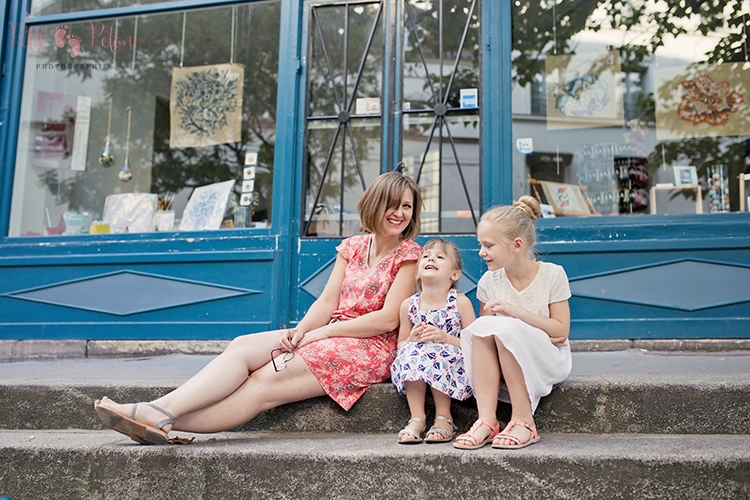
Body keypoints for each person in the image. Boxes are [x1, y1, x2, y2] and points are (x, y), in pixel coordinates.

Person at [94, 171, 422, 444]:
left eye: (407, 206)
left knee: (262, 381)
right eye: (392, 205)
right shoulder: (351, 247)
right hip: (330, 332)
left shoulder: (408, 254)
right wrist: (301, 332)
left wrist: (320, 335)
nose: (400, 213)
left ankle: (164, 418)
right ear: (374, 205)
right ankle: (159, 409)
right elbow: (326, 302)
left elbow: (386, 319)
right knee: (242, 347)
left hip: (372, 347)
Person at [453, 195, 571, 450]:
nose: (481, 252)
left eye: (488, 245)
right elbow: (487, 334)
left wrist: (516, 313)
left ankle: (523, 420)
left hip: (548, 356)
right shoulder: (489, 282)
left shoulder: (552, 274)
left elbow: (561, 329)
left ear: (517, 245)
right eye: (480, 244)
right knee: (491, 329)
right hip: (506, 358)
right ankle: (487, 419)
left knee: (505, 326)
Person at [390, 238, 476, 444]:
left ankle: (444, 417)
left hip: (453, 359)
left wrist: (446, 338)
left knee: (438, 352)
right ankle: (417, 418)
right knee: (410, 351)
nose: (431, 259)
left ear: (454, 274)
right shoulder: (408, 305)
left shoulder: (459, 302)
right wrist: (411, 339)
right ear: (418, 272)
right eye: (426, 257)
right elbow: (401, 345)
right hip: (418, 360)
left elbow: (475, 343)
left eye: (439, 257)